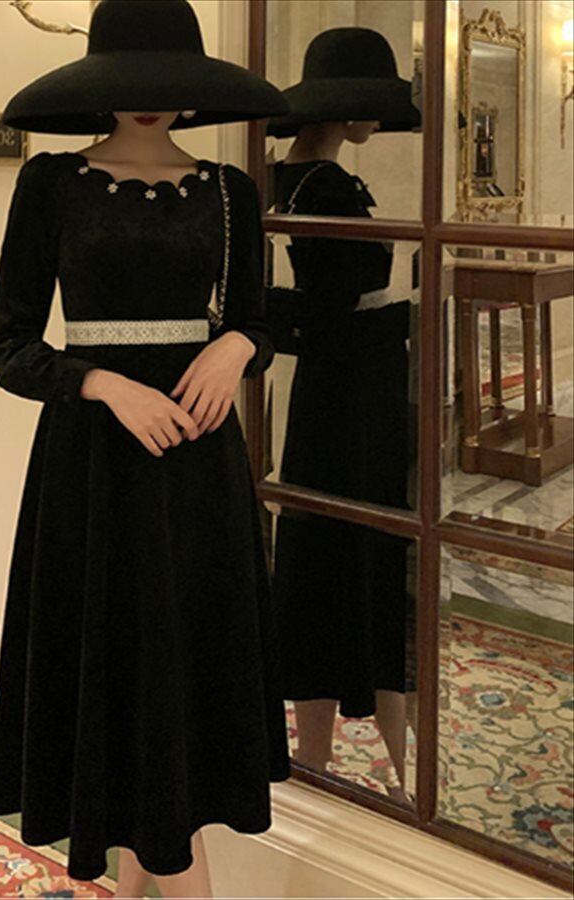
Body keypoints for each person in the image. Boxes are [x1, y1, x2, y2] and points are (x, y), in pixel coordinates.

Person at [0, 1, 291, 897]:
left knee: (185, 671)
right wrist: (105, 385)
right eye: (131, 82)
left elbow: (257, 321)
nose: (149, 100)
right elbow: (6, 344)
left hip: (199, 468)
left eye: (166, 82)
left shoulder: (230, 192)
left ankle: (142, 874)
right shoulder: (52, 184)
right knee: (113, 664)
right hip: (93, 471)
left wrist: (239, 346)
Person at [265, 27, 421, 803]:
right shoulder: (324, 185)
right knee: (361, 555)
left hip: (331, 396)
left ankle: (323, 757)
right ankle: (398, 767)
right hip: (353, 398)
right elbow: (329, 312)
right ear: (348, 104)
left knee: (324, 560)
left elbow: (312, 309)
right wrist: (402, 317)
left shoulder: (289, 178)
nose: (380, 119)